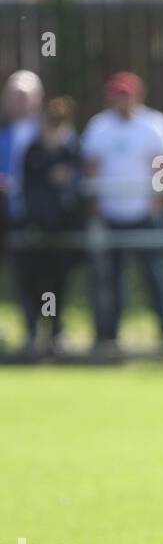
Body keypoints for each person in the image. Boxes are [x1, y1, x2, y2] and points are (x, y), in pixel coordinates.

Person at [80, 72, 163, 355]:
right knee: (112, 278)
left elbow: (162, 168)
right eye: (116, 94)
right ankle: (110, 335)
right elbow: (92, 168)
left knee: (154, 275)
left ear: (138, 95)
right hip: (111, 215)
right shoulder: (98, 127)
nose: (121, 100)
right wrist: (97, 208)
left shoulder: (155, 125)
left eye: (126, 94)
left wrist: (155, 204)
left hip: (146, 215)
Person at [16, 97, 83, 356]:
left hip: (62, 228)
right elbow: (27, 186)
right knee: (32, 282)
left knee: (57, 283)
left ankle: (55, 331)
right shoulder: (33, 150)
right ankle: (33, 331)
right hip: (35, 227)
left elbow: (77, 182)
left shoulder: (70, 148)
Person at [0, 70, 46, 351]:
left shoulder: (49, 133)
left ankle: (42, 332)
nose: (19, 102)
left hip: (38, 218)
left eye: (24, 96)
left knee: (39, 276)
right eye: (13, 96)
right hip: (4, 217)